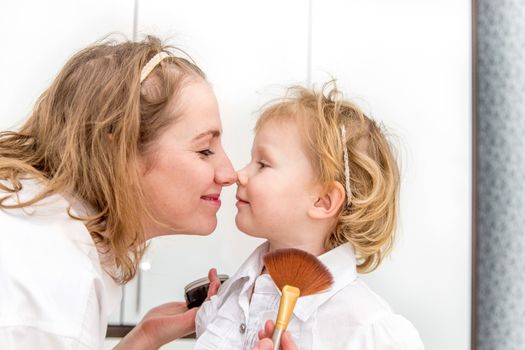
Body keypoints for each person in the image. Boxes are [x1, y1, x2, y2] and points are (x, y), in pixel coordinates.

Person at [0, 35, 288, 350]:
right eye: (205, 150)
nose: (230, 174)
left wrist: (142, 340)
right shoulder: (54, 293)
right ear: (119, 148)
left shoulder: (39, 232)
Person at [195, 83, 425, 349]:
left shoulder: (366, 328)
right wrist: (211, 313)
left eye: (263, 164)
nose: (240, 174)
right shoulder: (237, 289)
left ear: (323, 200)